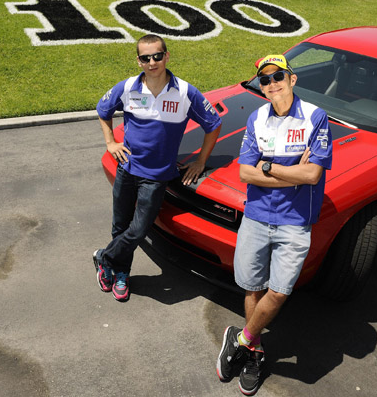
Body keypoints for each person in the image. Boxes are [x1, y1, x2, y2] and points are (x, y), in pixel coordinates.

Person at [216, 54, 332, 394]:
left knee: (279, 291)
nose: (271, 83)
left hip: (295, 222)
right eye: (264, 80)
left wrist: (268, 168)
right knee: (253, 287)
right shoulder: (256, 118)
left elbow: (313, 174)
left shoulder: (315, 117)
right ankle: (255, 351)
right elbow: (244, 171)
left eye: (278, 76)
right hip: (256, 216)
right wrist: (287, 172)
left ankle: (240, 340)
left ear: (292, 79)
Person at [93, 34, 222, 302]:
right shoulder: (127, 87)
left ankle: (103, 257)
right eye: (145, 58)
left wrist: (200, 161)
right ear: (138, 60)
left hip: (156, 177)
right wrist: (110, 142)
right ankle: (120, 273)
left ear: (167, 56)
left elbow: (213, 123)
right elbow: (103, 110)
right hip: (127, 169)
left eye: (157, 56)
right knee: (120, 227)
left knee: (138, 230)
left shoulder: (186, 92)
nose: (152, 62)